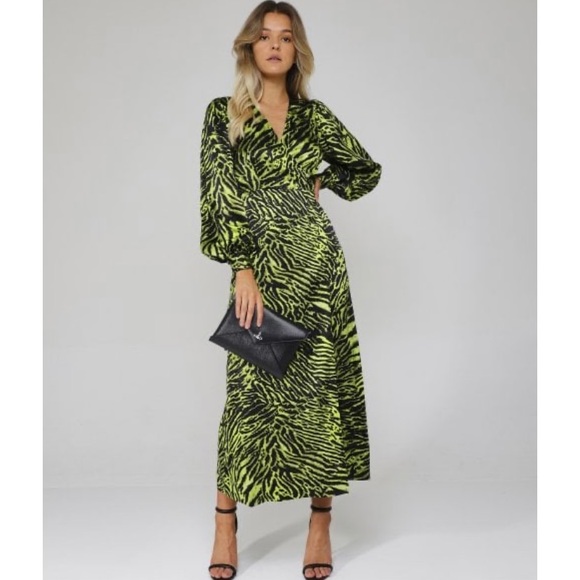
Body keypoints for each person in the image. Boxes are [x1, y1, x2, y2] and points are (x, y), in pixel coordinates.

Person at [199, 2, 382, 578]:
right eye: (265, 36)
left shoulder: (314, 116)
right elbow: (217, 197)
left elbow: (366, 171)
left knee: (319, 396)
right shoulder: (224, 113)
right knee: (247, 398)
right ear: (249, 47)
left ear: (296, 50)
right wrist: (242, 267)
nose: (275, 45)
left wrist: (320, 181)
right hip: (259, 269)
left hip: (317, 268)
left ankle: (320, 521)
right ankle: (225, 522)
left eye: (285, 37)